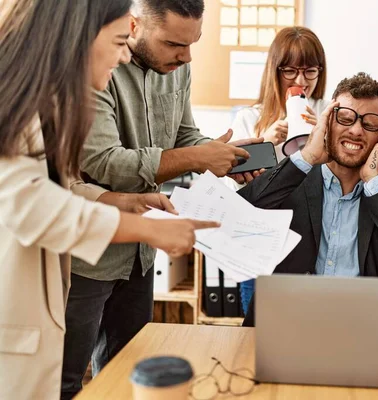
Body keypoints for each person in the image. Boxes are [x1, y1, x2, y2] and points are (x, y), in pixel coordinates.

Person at [0, 1, 218, 399]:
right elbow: (31, 205)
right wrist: (145, 228)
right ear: (78, 38)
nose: (123, 55)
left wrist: (118, 202)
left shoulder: (37, 102)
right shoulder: (14, 106)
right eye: (120, 40)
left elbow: (61, 188)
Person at [60, 1, 260, 397]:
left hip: (142, 252)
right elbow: (103, 162)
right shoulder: (96, 67)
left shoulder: (179, 65)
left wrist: (222, 154)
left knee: (133, 373)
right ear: (133, 25)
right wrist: (197, 157)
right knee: (63, 380)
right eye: (172, 44)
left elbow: (185, 136)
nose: (185, 56)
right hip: (88, 255)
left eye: (192, 44)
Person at [239, 72, 378, 326]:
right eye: (345, 118)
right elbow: (239, 217)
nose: (356, 130)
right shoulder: (291, 181)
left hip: (358, 334)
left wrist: (374, 182)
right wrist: (307, 156)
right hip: (286, 327)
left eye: (370, 123)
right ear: (328, 122)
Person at [229, 26, 328, 314]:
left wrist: (324, 131)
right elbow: (238, 191)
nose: (301, 81)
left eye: (310, 71)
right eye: (291, 71)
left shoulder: (328, 112)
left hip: (311, 244)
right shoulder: (250, 119)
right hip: (260, 246)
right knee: (258, 336)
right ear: (275, 70)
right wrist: (266, 146)